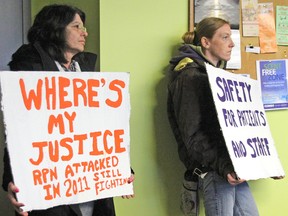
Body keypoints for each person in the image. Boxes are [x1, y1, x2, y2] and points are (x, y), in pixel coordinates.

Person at [2, 4, 134, 216]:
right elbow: (17, 130)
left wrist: (118, 167)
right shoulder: (28, 70)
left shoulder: (87, 71)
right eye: (77, 26)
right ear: (56, 29)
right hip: (50, 187)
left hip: (90, 185)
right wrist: (12, 179)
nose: (85, 33)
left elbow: (101, 126)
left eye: (84, 27)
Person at [167, 17, 258, 216]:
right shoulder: (189, 77)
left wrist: (262, 163)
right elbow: (193, 135)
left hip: (232, 168)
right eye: (225, 37)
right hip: (216, 170)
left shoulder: (216, 77)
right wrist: (223, 166)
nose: (232, 43)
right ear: (205, 42)